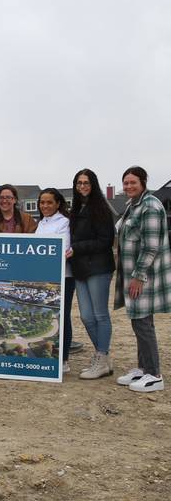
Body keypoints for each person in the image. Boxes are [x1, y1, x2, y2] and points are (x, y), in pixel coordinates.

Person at [114, 166, 171, 393]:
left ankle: (154, 375)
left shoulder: (150, 206)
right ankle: (143, 368)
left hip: (144, 276)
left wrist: (138, 276)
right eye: (126, 183)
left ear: (143, 182)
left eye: (133, 182)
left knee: (143, 323)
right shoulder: (133, 205)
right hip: (134, 275)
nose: (128, 186)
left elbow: (150, 247)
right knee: (140, 321)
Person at [68, 169, 116, 379]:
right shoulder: (77, 208)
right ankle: (103, 357)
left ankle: (101, 356)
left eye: (86, 182)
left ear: (93, 184)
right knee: (86, 317)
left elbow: (105, 241)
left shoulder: (102, 209)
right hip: (80, 269)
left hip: (98, 267)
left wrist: (77, 248)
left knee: (100, 315)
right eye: (79, 183)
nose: (82, 186)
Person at [35, 188, 74, 374]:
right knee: (53, 318)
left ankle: (63, 359)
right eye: (42, 202)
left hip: (63, 277)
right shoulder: (40, 223)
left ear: (58, 203)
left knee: (63, 318)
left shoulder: (64, 222)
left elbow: (63, 249)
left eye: (49, 202)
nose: (45, 206)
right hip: (45, 278)